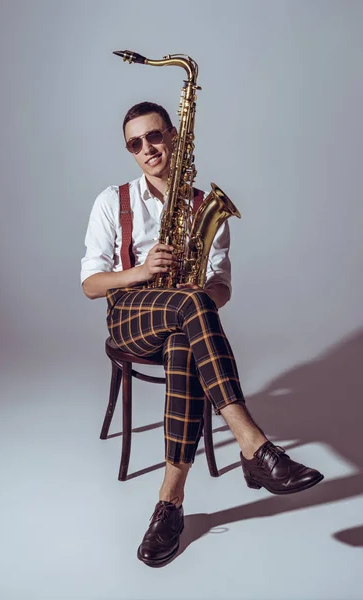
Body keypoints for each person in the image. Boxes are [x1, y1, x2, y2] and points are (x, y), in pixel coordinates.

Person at [80, 101, 324, 567]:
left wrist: (199, 293)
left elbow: (221, 288)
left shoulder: (203, 206)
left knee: (186, 336)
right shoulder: (113, 200)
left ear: (175, 136)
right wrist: (140, 272)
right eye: (135, 143)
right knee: (191, 309)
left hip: (182, 323)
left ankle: (170, 502)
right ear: (129, 151)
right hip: (130, 316)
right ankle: (254, 445)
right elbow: (91, 285)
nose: (147, 149)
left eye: (154, 137)